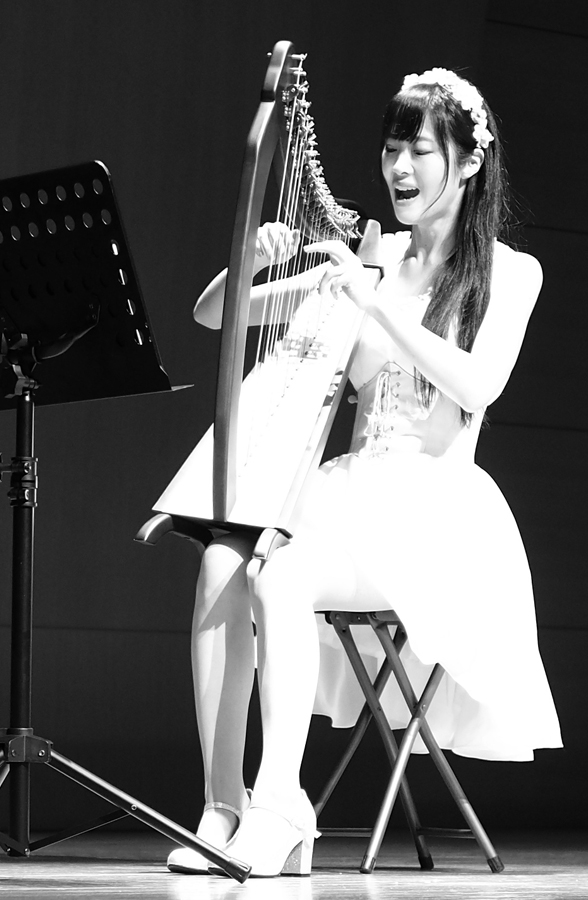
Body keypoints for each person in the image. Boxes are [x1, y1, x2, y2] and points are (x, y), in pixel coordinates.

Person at [167, 68, 562, 878]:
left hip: (435, 513)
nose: (399, 168)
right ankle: (226, 805)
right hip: (347, 495)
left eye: (420, 150)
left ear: (470, 162)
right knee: (222, 564)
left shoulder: (510, 272)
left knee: (279, 572)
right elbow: (215, 314)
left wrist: (375, 300)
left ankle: (281, 806)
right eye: (391, 149)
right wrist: (250, 258)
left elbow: (479, 387)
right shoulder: (367, 262)